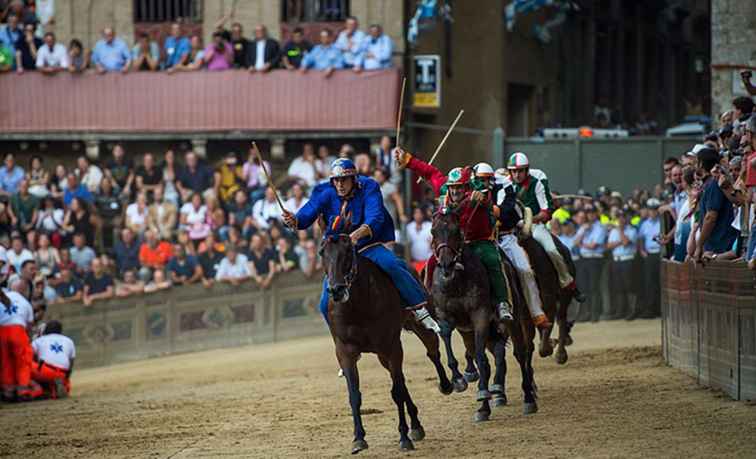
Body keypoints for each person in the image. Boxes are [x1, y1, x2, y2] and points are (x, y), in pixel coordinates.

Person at [283, 158, 439, 332]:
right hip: (340, 252)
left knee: (393, 264)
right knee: (323, 305)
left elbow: (376, 216)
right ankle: (341, 337)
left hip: (367, 245)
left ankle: (420, 309)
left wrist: (356, 235)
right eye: (336, 180)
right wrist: (295, 219)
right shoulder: (324, 191)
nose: (340, 184)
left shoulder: (369, 187)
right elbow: (308, 211)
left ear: (354, 179)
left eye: (344, 180)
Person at [506, 153, 585, 301]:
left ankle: (567, 282)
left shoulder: (537, 183)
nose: (517, 174)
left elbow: (546, 211)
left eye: (520, 171)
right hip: (511, 229)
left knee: (552, 249)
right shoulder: (505, 184)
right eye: (513, 171)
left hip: (535, 226)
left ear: (526, 170)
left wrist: (530, 220)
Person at [694, 147, 738, 261]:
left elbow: (710, 217)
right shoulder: (708, 185)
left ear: (701, 164)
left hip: (720, 247)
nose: (694, 165)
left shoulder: (714, 185)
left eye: (696, 162)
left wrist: (699, 246)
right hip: (714, 248)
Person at [0, 286, 35, 401]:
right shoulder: (25, 302)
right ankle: (23, 390)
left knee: (6, 362)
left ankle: (8, 392)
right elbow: (30, 325)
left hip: (2, 331)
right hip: (18, 330)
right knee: (23, 360)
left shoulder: (4, 296)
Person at [574, 204, 606, 322]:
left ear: (596, 214)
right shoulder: (584, 227)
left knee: (594, 287)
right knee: (583, 287)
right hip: (584, 258)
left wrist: (582, 244)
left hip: (595, 258)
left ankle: (595, 313)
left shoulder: (600, 227)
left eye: (592, 213)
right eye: (588, 213)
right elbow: (575, 242)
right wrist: (583, 232)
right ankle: (585, 313)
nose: (590, 215)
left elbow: (594, 245)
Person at [29, 320, 74, 399]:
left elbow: (28, 357)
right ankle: (55, 388)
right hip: (62, 373)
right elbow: (71, 363)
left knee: (25, 365)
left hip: (45, 370)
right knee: (65, 385)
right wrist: (66, 378)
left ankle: (37, 389)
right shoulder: (69, 341)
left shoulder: (38, 340)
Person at [605, 209, 637, 320]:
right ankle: (621, 311)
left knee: (629, 286)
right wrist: (619, 241)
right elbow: (608, 246)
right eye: (619, 217)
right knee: (618, 287)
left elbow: (626, 242)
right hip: (616, 260)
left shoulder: (631, 230)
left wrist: (621, 231)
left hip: (627, 259)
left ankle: (632, 311)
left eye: (623, 217)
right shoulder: (613, 231)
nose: (621, 219)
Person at [406, 206, 432, 274]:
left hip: (427, 262)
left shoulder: (430, 226)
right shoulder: (409, 227)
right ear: (413, 215)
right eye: (416, 213)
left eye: (420, 213)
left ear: (423, 215)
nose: (418, 215)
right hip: (413, 263)